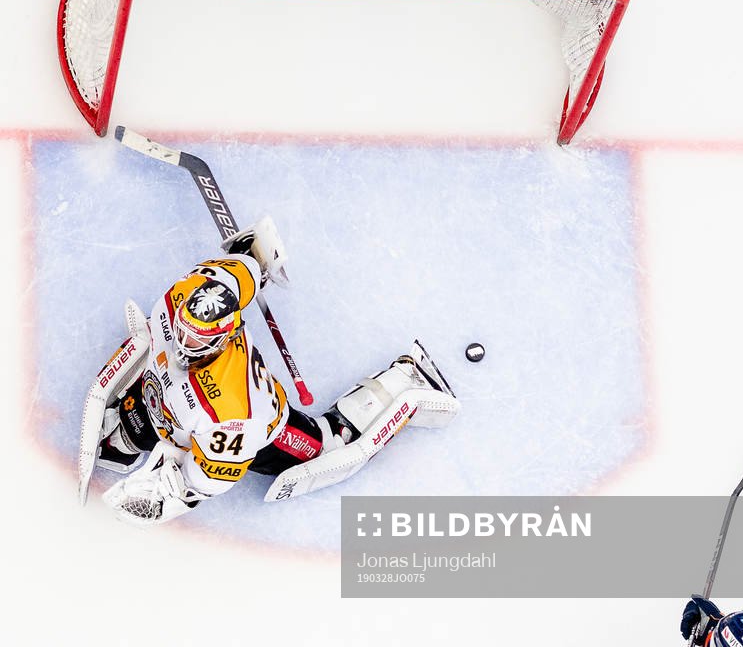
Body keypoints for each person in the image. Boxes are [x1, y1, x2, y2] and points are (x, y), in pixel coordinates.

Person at [80, 216, 459, 525]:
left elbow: (201, 482)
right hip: (170, 401)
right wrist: (257, 259)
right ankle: (132, 430)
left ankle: (405, 380)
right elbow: (235, 275)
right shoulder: (188, 292)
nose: (184, 343)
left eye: (197, 341)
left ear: (223, 338)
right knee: (149, 411)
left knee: (326, 446)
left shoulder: (233, 413)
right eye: (183, 330)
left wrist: (166, 488)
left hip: (266, 432)